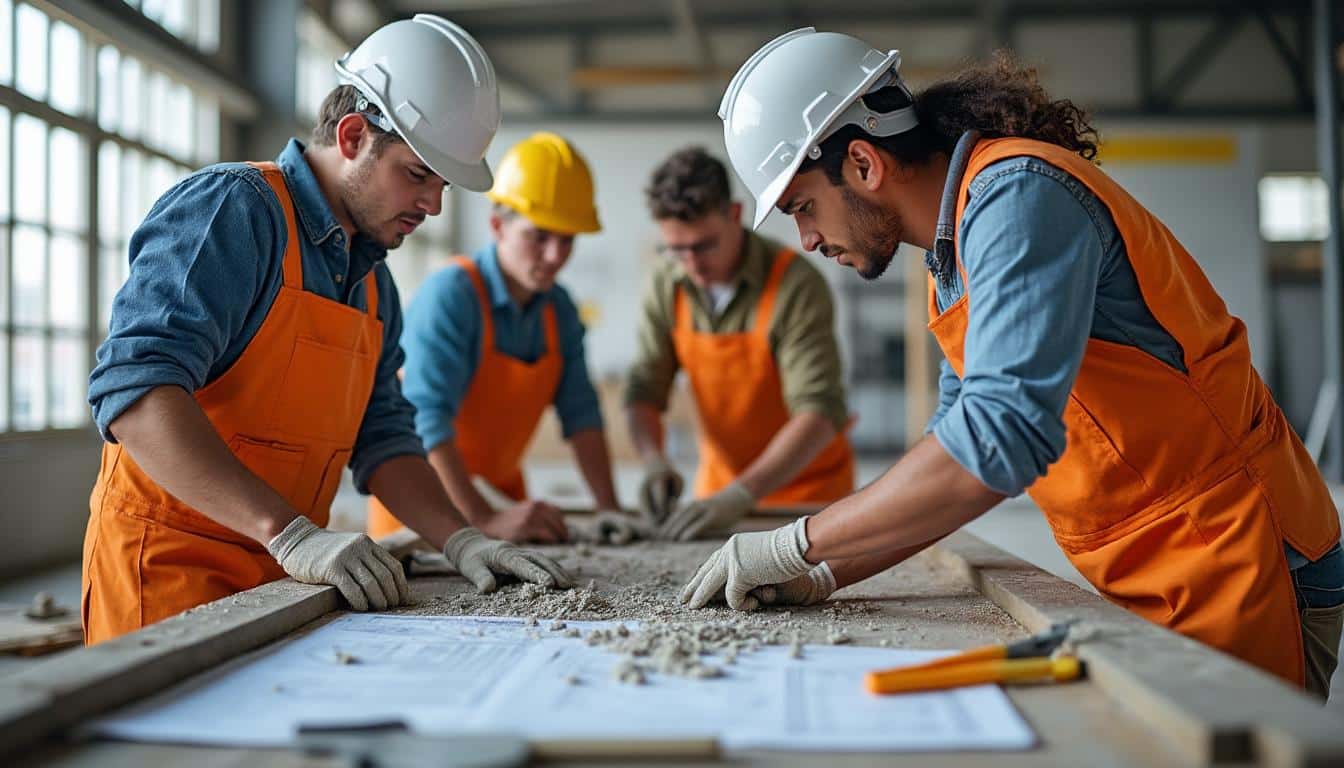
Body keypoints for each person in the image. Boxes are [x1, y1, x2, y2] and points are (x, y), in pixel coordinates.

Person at [684, 27, 1344, 697]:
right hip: (1163, 560)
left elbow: (997, 442)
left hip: (1239, 554)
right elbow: (952, 460)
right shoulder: (957, 251)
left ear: (862, 162)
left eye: (802, 207)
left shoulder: (1018, 196)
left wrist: (793, 544)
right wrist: (825, 572)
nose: (807, 239)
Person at [83, 15, 570, 645]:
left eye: (442, 184)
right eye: (418, 174)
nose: (434, 205)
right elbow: (138, 393)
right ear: (352, 136)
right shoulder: (235, 213)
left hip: (286, 582)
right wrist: (289, 532)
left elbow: (384, 435)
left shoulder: (373, 283)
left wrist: (461, 539)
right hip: (168, 574)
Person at [367, 132, 624, 544]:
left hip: (501, 502)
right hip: (425, 510)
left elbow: (583, 417)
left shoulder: (560, 310)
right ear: (497, 226)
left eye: (567, 239)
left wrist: (611, 509)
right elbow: (425, 421)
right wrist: (480, 520)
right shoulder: (452, 295)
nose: (556, 256)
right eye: (540, 236)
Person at [624, 147, 854, 541]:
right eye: (677, 249)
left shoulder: (794, 284)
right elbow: (644, 388)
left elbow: (818, 411)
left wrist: (743, 494)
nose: (692, 263)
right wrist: (653, 461)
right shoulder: (666, 284)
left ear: (735, 214)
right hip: (718, 493)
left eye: (704, 245)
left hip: (807, 495)